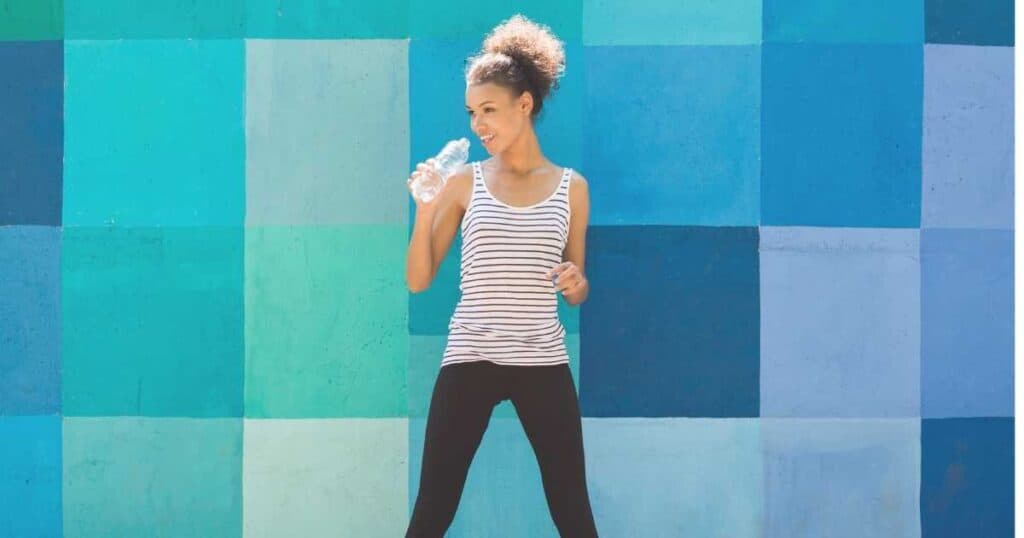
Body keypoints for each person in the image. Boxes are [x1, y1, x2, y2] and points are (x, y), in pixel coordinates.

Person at [403, 14, 599, 538]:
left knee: (573, 512)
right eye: (472, 112)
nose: (477, 124)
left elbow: (576, 281)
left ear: (525, 105)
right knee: (432, 510)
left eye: (488, 109)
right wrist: (424, 210)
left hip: (542, 359)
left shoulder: (571, 189)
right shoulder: (463, 183)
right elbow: (419, 279)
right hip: (471, 356)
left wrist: (576, 284)